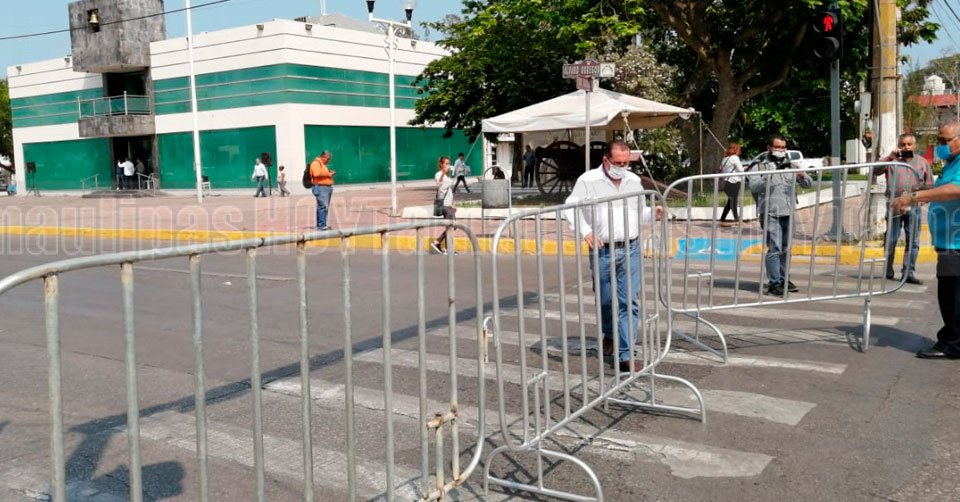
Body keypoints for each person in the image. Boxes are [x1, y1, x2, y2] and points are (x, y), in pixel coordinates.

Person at [563, 139, 663, 372]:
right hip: (602, 250)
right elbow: (570, 208)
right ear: (605, 160)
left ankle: (625, 354)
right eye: (618, 163)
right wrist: (586, 231)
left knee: (629, 302)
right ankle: (609, 333)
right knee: (606, 300)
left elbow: (639, 213)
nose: (622, 167)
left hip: (631, 247)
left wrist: (653, 213)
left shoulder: (633, 180)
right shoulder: (588, 180)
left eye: (626, 163)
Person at [893, 121, 960, 359]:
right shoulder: (952, 162)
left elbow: (955, 190)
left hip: (956, 244)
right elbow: (942, 192)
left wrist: (914, 196)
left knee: (952, 297)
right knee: (951, 294)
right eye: (939, 140)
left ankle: (952, 344)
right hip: (949, 243)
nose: (940, 145)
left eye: (945, 140)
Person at [747, 135, 812, 296]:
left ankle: (783, 279)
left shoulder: (790, 165)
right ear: (769, 148)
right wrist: (770, 174)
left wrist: (802, 175)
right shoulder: (759, 166)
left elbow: (808, 184)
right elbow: (754, 187)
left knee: (785, 249)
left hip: (788, 212)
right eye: (777, 147)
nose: (781, 150)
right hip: (770, 213)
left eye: (783, 147)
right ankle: (774, 283)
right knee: (774, 248)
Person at [875, 133, 933, 284]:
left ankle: (908, 273)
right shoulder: (892, 161)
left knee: (913, 241)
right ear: (899, 146)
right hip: (894, 206)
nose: (906, 147)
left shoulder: (922, 163)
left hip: (914, 206)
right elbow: (875, 171)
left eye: (909, 144)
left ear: (914, 146)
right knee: (891, 239)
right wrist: (889, 157)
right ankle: (888, 270)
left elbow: (929, 186)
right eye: (903, 144)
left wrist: (920, 201)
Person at [431, 156, 456, 254]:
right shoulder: (438, 174)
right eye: (446, 163)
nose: (448, 165)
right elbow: (439, 185)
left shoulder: (446, 176)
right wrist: (443, 173)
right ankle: (445, 247)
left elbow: (449, 191)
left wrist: (453, 203)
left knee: (452, 225)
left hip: (449, 204)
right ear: (441, 164)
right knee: (451, 225)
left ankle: (440, 243)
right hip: (444, 204)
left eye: (449, 163)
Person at [718, 143, 745, 225]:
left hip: (726, 183)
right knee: (733, 201)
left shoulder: (725, 159)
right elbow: (741, 170)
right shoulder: (735, 158)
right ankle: (737, 220)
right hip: (734, 182)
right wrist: (745, 168)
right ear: (736, 150)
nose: (739, 151)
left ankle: (722, 220)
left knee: (730, 202)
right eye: (739, 150)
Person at [309, 151, 336, 230]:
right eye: (328, 159)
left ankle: (322, 225)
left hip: (325, 187)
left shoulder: (322, 164)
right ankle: (321, 226)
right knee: (323, 206)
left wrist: (329, 172)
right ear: (323, 157)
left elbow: (321, 173)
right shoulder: (316, 163)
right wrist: (329, 174)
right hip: (321, 187)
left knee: (323, 207)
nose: (329, 161)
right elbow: (316, 174)